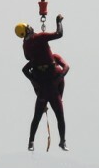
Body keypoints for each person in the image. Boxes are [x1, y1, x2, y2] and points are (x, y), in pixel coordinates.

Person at [15, 13, 67, 151]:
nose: (32, 28)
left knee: (37, 116)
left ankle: (31, 142)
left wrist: (34, 81)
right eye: (29, 27)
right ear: (27, 31)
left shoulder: (25, 45)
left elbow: (27, 62)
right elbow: (59, 34)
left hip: (42, 83)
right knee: (59, 115)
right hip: (50, 81)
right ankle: (63, 141)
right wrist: (58, 21)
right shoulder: (40, 37)